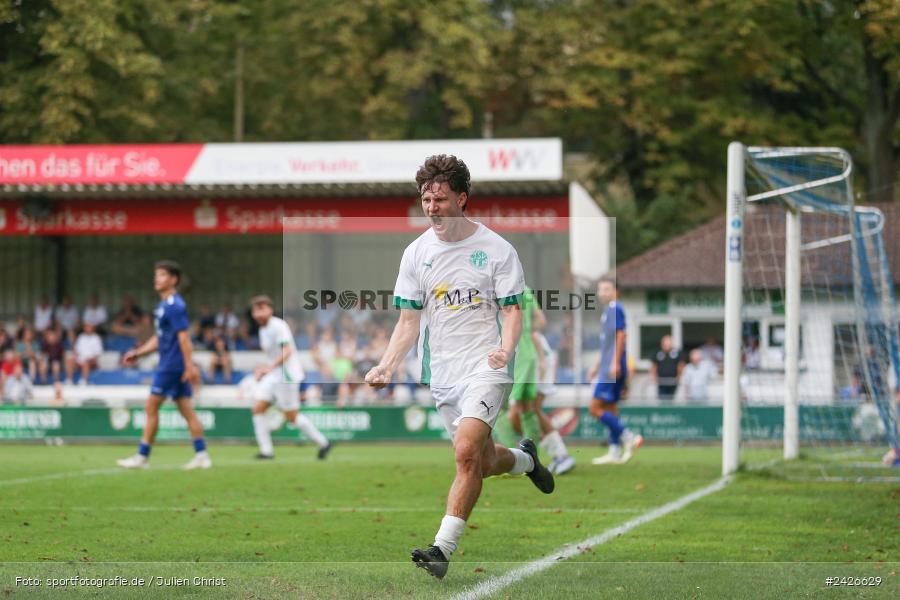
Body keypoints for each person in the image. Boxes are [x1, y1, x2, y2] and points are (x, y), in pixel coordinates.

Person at [365, 154, 554, 580]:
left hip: (487, 366)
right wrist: (386, 365)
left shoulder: (498, 250)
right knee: (482, 462)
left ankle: (441, 549)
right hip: (443, 373)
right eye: (426, 199)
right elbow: (408, 322)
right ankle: (526, 461)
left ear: (462, 198)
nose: (431, 207)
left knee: (465, 453)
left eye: (440, 198)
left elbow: (512, 312)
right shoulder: (415, 254)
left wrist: (506, 350)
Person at [116, 261, 211, 470]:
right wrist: (138, 353)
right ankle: (202, 454)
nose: (156, 279)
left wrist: (189, 366)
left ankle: (142, 457)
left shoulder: (175, 305)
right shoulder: (163, 307)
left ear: (173, 280)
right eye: (156, 275)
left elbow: (184, 338)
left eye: (162, 275)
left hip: (172, 365)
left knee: (151, 406)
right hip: (172, 363)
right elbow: (160, 339)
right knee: (186, 410)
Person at [247, 295, 331, 460]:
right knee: (257, 408)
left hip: (287, 375)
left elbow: (288, 351)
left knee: (292, 417)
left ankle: (323, 442)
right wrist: (264, 370)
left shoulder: (278, 325)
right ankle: (266, 451)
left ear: (270, 310)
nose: (258, 313)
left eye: (261, 308)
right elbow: (273, 355)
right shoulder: (262, 329)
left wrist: (268, 368)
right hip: (274, 375)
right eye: (255, 310)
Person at [504, 287, 575, 475]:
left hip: (532, 356)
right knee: (523, 411)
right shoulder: (523, 290)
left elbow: (535, 325)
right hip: (535, 355)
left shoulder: (505, 290)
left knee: (524, 411)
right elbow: (540, 321)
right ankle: (548, 453)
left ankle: (551, 456)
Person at [588, 275, 643, 465]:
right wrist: (596, 365)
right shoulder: (608, 311)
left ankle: (630, 437)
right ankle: (614, 451)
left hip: (612, 368)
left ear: (615, 291)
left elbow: (621, 335)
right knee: (610, 408)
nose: (601, 293)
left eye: (606, 289)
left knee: (594, 408)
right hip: (607, 366)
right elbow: (607, 343)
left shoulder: (615, 308)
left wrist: (616, 363)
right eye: (600, 289)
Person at [650, 334, 683, 402]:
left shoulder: (676, 352)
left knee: (672, 400)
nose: (667, 344)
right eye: (665, 342)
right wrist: (654, 377)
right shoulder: (657, 352)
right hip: (661, 381)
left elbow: (680, 365)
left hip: (673, 381)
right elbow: (653, 366)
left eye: (668, 342)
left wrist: (679, 377)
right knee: (662, 399)